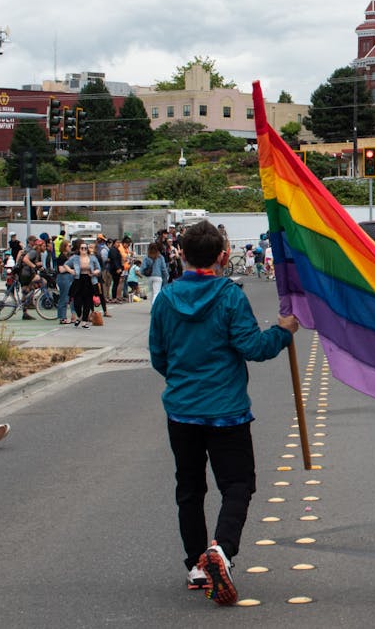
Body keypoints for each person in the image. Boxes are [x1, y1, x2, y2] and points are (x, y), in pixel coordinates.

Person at [149, 219, 299, 606]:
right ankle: (222, 550)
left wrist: (183, 379)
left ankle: (197, 565)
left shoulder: (165, 300)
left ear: (181, 254)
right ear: (222, 256)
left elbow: (159, 357)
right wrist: (283, 331)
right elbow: (254, 347)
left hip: (182, 410)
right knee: (238, 485)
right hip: (226, 410)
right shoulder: (230, 296)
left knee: (189, 489)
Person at [65, 240, 101, 329]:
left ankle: (84, 321)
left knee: (87, 302)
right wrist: (71, 271)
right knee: (77, 301)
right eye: (82, 248)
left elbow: (98, 268)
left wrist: (94, 273)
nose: (84, 249)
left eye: (85, 248)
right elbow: (66, 265)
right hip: (78, 280)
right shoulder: (75, 258)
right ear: (79, 249)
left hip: (89, 280)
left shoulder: (92, 258)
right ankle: (80, 316)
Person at [144, 243, 169, 307]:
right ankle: (154, 305)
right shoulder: (160, 256)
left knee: (151, 292)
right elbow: (163, 268)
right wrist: (166, 275)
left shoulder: (147, 257)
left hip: (149, 277)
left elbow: (143, 268)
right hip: (158, 276)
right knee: (156, 292)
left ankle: (152, 307)